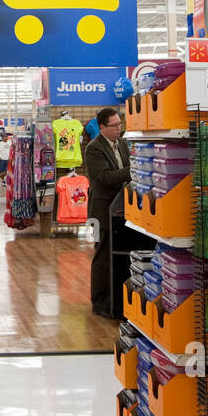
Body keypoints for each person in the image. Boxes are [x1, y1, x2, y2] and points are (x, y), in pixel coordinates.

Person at [84, 107, 131, 317]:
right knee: (101, 256)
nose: (118, 129)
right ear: (102, 127)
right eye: (114, 126)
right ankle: (100, 302)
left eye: (120, 125)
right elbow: (105, 178)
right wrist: (133, 170)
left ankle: (115, 301)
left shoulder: (122, 143)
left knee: (115, 255)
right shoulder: (93, 149)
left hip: (119, 209)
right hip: (99, 211)